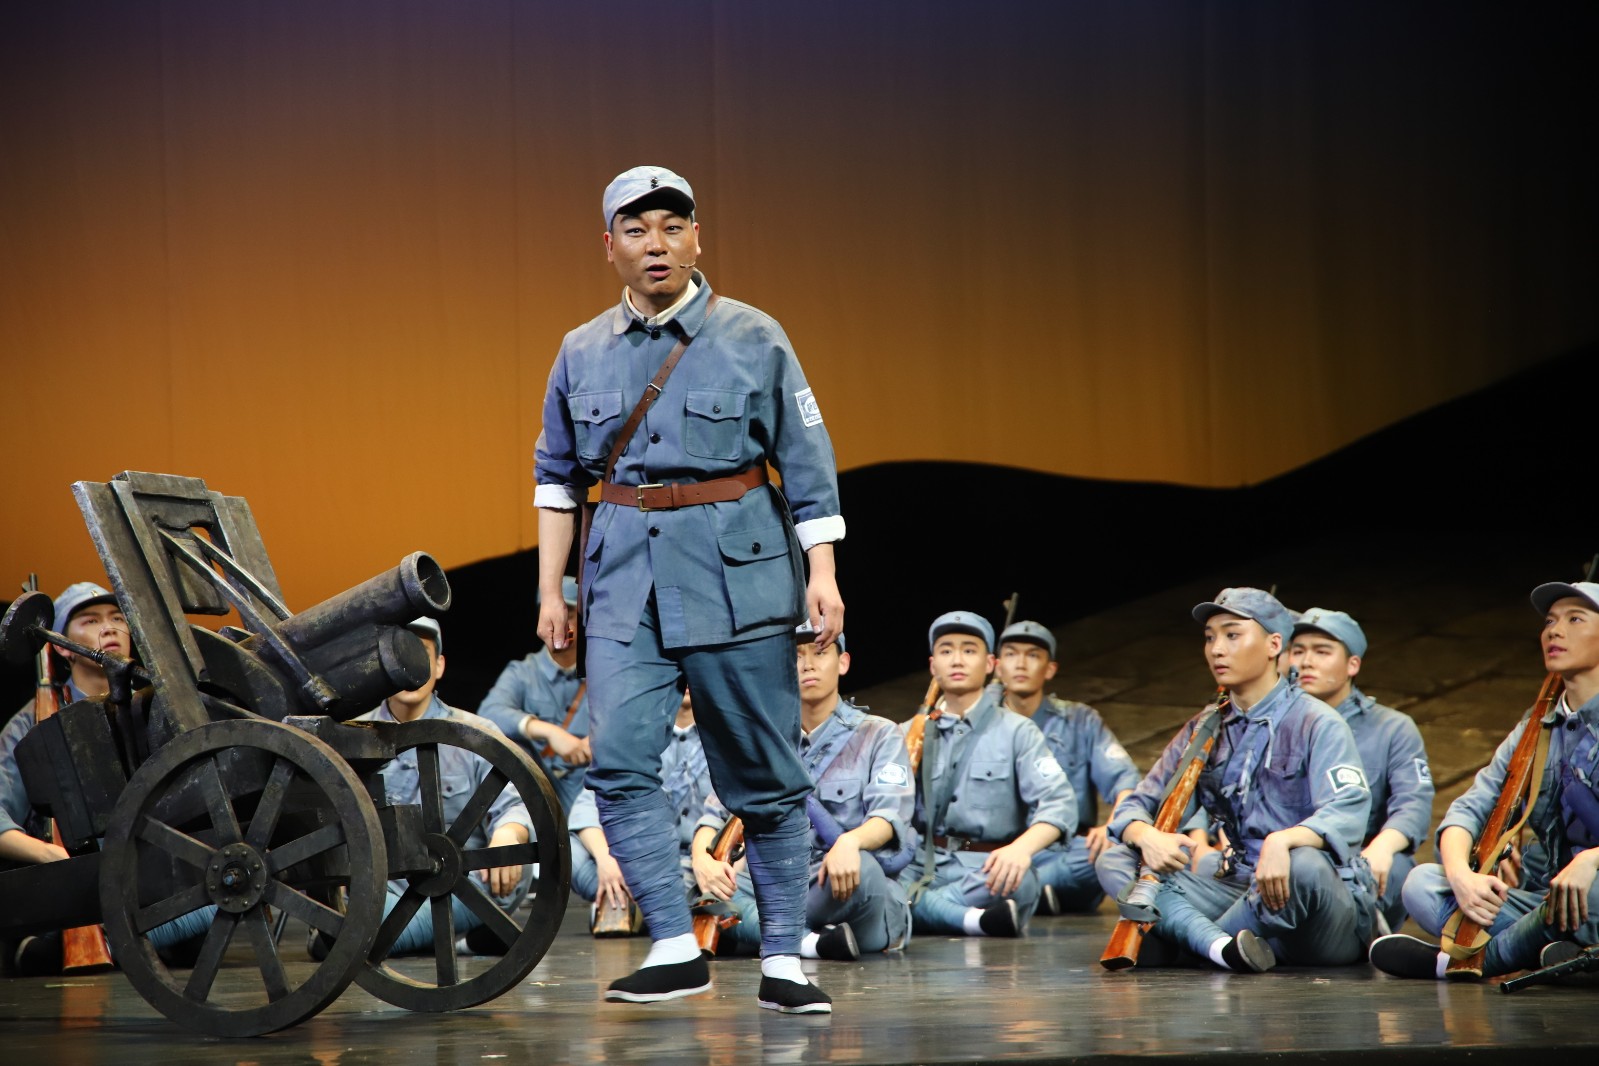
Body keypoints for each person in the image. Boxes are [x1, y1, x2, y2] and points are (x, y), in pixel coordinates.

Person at [532, 165, 844, 1013]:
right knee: (618, 762)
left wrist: (822, 574)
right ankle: (674, 945)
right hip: (621, 580)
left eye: (672, 227)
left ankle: (783, 961)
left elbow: (807, 465)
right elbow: (556, 477)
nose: (656, 244)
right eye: (636, 230)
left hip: (737, 576)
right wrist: (552, 590)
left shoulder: (754, 335)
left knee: (765, 773)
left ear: (697, 238)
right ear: (609, 246)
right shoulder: (580, 348)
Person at [1106, 587, 1377, 973]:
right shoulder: (1207, 726)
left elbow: (1347, 812)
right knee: (1119, 858)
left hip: (1313, 908)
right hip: (1237, 885)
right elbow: (1139, 804)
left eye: (1232, 635)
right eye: (1210, 638)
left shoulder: (1317, 722)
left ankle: (1189, 941)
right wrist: (1146, 836)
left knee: (1305, 864)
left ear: (1274, 645)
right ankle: (1221, 947)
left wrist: (1284, 841)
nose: (1217, 649)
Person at [1370, 580, 1599, 980]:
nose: (1554, 631)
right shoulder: (1536, 729)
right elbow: (1471, 807)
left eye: (1575, 619)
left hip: (1592, 894)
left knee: (1591, 892)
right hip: (1547, 901)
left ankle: (1466, 963)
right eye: (1550, 622)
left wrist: (1592, 860)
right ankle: (1559, 958)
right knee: (1422, 884)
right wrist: (1462, 877)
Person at [2, 582, 205, 974]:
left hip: (153, 874)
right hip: (78, 882)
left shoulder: (158, 707)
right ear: (62, 647)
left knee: (229, 888)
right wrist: (50, 855)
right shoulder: (30, 723)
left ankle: (116, 943)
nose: (109, 627)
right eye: (91, 620)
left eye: (117, 618)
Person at [695, 627, 915, 960]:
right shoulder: (762, 740)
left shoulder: (879, 734)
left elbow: (889, 816)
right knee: (709, 891)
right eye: (795, 656)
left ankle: (761, 932)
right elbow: (714, 816)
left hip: (840, 881)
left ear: (843, 662)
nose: (807, 664)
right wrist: (702, 861)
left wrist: (849, 842)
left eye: (820, 652)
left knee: (865, 870)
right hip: (779, 878)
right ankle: (811, 943)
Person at [338, 618, 534, 958]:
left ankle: (374, 940)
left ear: (439, 665)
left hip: (460, 887)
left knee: (518, 863)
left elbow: (512, 805)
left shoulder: (477, 733)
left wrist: (508, 834)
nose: (410, 667)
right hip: (383, 894)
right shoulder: (352, 736)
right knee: (352, 902)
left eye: (420, 655)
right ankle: (452, 938)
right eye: (400, 654)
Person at [897, 612, 1077, 939]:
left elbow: (1060, 805)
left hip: (986, 869)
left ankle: (916, 910)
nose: (957, 660)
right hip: (921, 865)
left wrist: (1020, 850)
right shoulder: (907, 733)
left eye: (969, 650)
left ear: (991, 663)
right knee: (873, 881)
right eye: (946, 650)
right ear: (933, 666)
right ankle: (972, 920)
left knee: (1021, 882)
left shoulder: (1018, 731)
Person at [1288, 607, 1433, 933]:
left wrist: (1383, 846)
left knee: (1398, 867)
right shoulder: (1275, 722)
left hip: (1359, 854)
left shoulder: (1392, 728)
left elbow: (1413, 803)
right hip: (1286, 852)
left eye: (1322, 651)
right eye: (1298, 651)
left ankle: (1367, 941)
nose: (1306, 662)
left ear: (1352, 665)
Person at [995, 620, 1140, 915]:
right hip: (1003, 849)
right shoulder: (983, 723)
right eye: (1011, 654)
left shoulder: (1080, 720)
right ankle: (1035, 893)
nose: (1021, 664)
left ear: (1050, 669)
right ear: (996, 666)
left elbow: (1126, 780)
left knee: (1116, 853)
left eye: (1033, 655)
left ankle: (1016, 892)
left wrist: (1113, 826)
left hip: (1064, 850)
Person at [567, 688, 713, 936]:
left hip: (696, 865)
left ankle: (628, 906)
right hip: (635, 862)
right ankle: (653, 907)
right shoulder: (633, 732)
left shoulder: (723, 737)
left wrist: (705, 860)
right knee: (567, 851)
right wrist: (606, 859)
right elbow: (587, 806)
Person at [478, 575, 592, 814]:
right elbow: (488, 713)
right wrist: (548, 731)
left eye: (570, 614)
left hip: (590, 795)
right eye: (553, 615)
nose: (561, 624)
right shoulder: (523, 672)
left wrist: (602, 742)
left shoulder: (601, 674)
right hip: (537, 799)